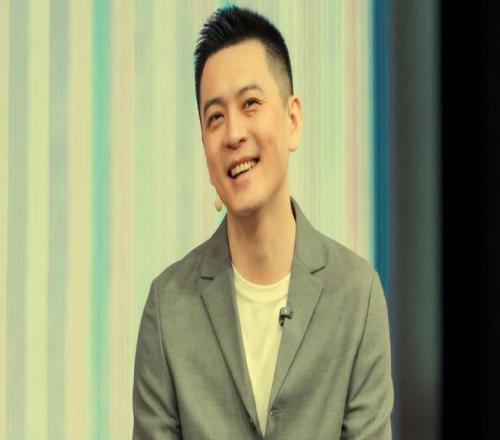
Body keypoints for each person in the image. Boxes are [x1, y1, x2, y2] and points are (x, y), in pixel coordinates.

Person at [133, 5, 393, 439]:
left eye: (250, 104)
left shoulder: (356, 296)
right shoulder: (168, 308)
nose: (233, 133)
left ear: (293, 120)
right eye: (215, 117)